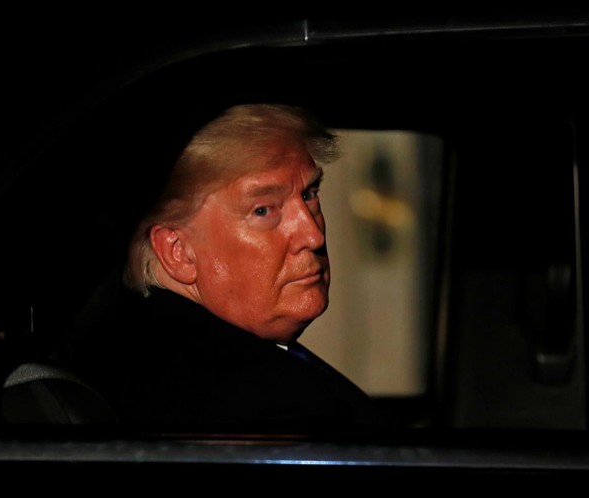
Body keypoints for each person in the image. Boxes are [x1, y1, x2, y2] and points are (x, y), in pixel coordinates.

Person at [69, 103, 386, 431]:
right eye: (263, 211)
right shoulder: (263, 403)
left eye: (309, 194)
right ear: (179, 253)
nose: (313, 234)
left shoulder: (152, 351)